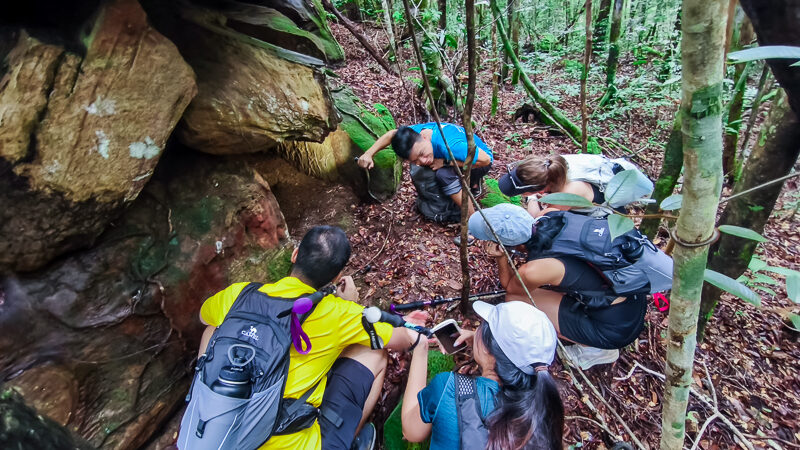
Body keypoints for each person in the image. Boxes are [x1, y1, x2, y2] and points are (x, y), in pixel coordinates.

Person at [196, 226, 426, 450]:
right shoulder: (337, 312)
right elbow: (402, 339)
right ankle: (348, 439)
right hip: (294, 441)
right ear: (337, 276)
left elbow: (203, 316)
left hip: (219, 430)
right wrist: (352, 305)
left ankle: (199, 400)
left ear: (295, 255)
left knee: (212, 328)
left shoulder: (239, 293)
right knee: (375, 352)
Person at [468, 204, 649, 369]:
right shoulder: (550, 215)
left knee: (515, 300)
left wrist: (500, 258)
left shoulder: (533, 271)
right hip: (632, 302)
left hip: (613, 330)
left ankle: (596, 350)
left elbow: (511, 288)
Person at [401, 301, 564, 450]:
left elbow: (411, 432)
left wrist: (419, 348)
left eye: (482, 325)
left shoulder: (449, 387)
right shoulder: (545, 407)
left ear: (488, 349)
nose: (476, 329)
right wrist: (481, 344)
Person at [357, 123, 494, 219]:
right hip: (464, 154)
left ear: (424, 137)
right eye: (415, 159)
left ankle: (472, 218)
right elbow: (392, 135)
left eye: (422, 153)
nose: (422, 161)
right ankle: (473, 184)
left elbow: (486, 160)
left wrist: (446, 162)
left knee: (443, 174)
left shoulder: (448, 144)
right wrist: (369, 154)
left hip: (480, 162)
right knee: (425, 168)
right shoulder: (415, 133)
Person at [497, 154, 594, 217]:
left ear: (541, 190)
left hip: (600, 206)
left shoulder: (563, 197)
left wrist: (532, 198)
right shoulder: (550, 165)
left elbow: (537, 219)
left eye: (523, 193)